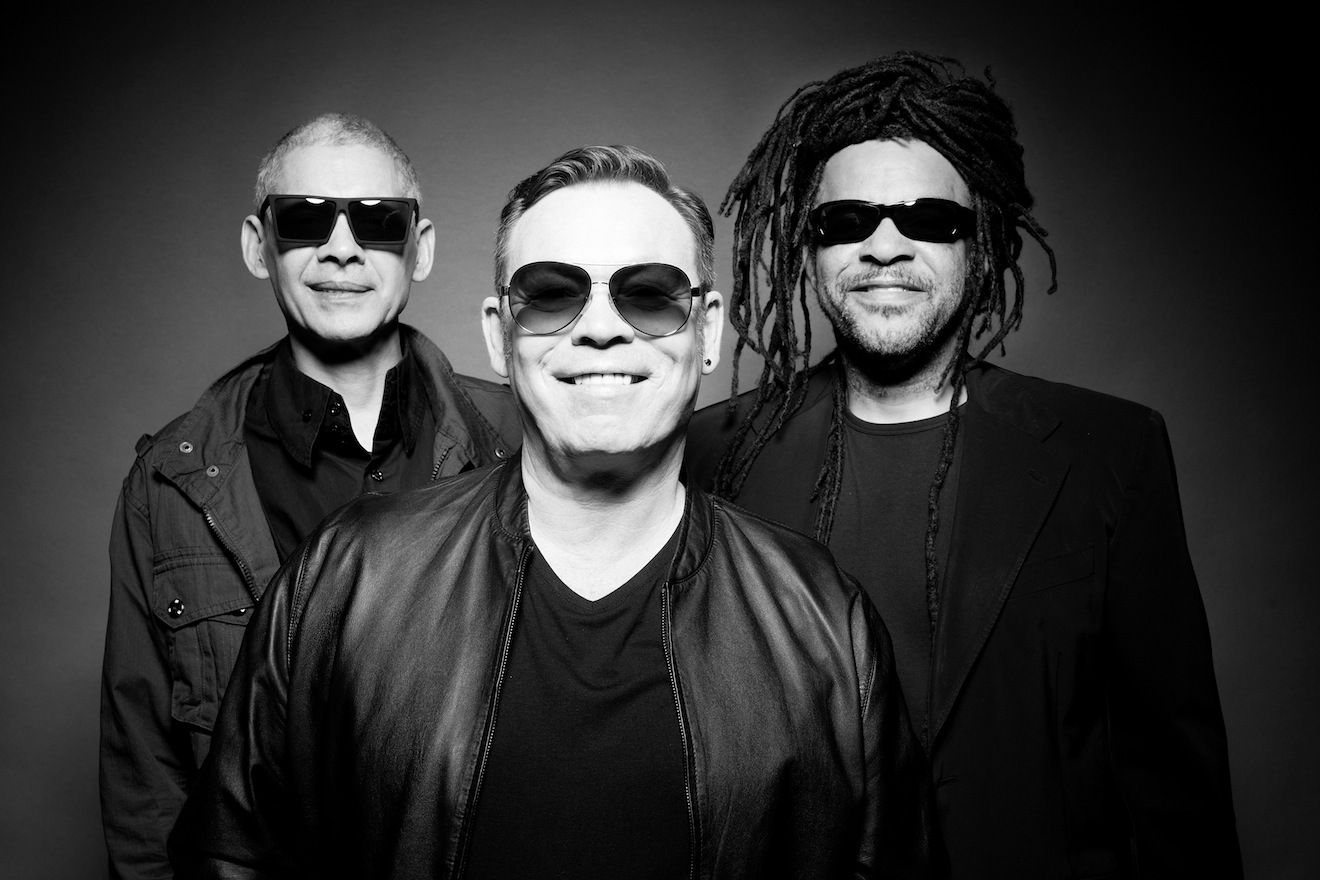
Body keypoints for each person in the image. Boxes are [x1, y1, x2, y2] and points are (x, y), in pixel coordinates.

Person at [167, 145, 939, 878]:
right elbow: (231, 856)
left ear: (708, 331)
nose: (600, 328)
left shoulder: (823, 620)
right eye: (550, 296)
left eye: (649, 294)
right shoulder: (348, 577)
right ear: (498, 337)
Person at [686, 52, 1241, 878]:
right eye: (847, 220)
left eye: (930, 220)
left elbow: (1173, 781)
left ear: (981, 244)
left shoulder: (1108, 452)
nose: (884, 247)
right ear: (809, 246)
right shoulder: (713, 454)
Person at [99, 113, 520, 879]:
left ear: (421, 247)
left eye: (377, 221)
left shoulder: (519, 444)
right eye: (305, 219)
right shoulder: (169, 486)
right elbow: (145, 789)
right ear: (258, 245)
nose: (342, 248)